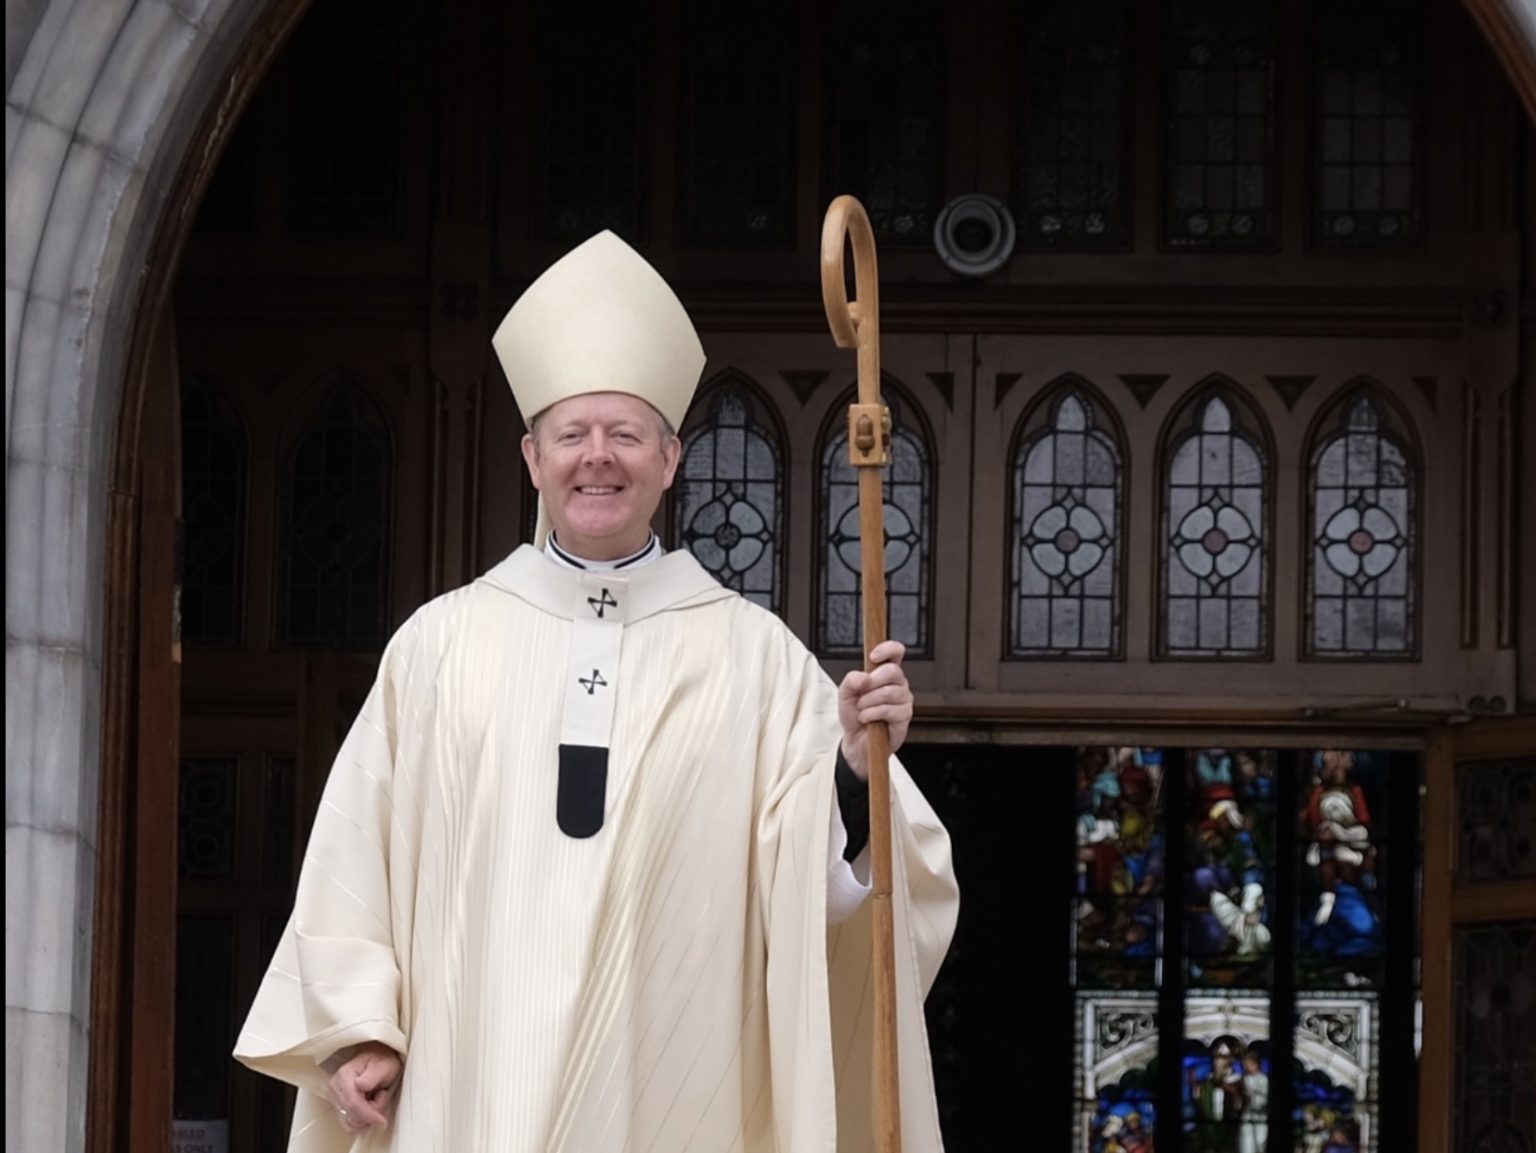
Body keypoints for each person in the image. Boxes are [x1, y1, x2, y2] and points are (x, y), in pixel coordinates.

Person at [233, 230, 959, 1152]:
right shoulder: (439, 646)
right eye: (573, 434)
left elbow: (816, 889)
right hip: (474, 1084)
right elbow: (356, 857)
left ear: (671, 456)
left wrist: (856, 766)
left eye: (624, 434)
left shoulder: (756, 658)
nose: (598, 457)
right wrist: (359, 1028)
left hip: (676, 1083)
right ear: (533, 458)